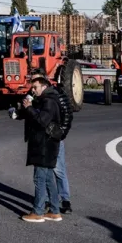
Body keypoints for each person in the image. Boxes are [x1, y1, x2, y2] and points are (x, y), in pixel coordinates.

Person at [19, 76, 62, 223]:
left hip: (44, 145)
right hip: (46, 144)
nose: (33, 90)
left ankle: (38, 211)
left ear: (44, 87)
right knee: (49, 178)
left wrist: (29, 108)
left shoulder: (48, 101)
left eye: (35, 87)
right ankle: (55, 210)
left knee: (39, 178)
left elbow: (42, 121)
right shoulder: (45, 100)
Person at [30, 70, 73, 215]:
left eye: (35, 83)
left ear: (44, 82)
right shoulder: (35, 97)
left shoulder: (55, 95)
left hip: (53, 138)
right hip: (41, 139)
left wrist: (60, 134)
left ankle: (64, 200)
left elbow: (67, 115)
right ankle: (49, 202)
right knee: (46, 174)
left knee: (57, 170)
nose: (32, 88)